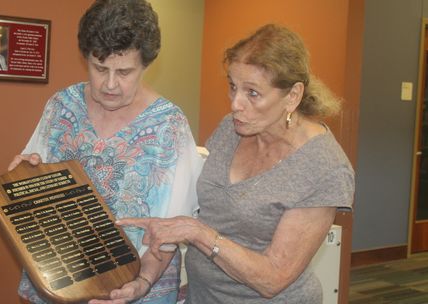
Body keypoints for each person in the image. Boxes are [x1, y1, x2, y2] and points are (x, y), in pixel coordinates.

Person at [118, 24, 355, 304]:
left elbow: (273, 279)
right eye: (233, 86)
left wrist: (197, 233)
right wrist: (145, 279)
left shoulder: (324, 168)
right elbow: (204, 209)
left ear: (292, 96)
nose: (235, 104)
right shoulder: (231, 129)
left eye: (252, 93)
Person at [8, 0, 202, 303]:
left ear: (146, 65)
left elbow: (168, 233)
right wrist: (24, 174)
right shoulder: (62, 107)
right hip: (61, 280)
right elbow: (31, 187)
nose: (110, 84)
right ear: (85, 58)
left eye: (124, 72)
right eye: (100, 69)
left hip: (136, 286)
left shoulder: (169, 126)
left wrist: (143, 282)